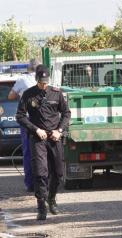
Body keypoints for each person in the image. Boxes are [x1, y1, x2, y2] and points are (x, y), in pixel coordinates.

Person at [16, 65, 71, 220]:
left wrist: (59, 130)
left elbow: (66, 113)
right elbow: (20, 116)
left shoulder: (56, 93)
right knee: (40, 173)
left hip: (54, 138)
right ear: (36, 80)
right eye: (41, 82)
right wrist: (35, 129)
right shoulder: (28, 94)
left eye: (46, 82)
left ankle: (51, 198)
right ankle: (41, 207)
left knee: (59, 172)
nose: (44, 85)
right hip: (37, 139)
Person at [8, 59, 40, 192]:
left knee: (28, 152)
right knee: (43, 151)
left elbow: (10, 96)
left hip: (27, 121)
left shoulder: (22, 80)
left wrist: (20, 95)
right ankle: (44, 181)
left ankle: (30, 184)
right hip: (43, 120)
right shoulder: (45, 79)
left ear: (28, 68)